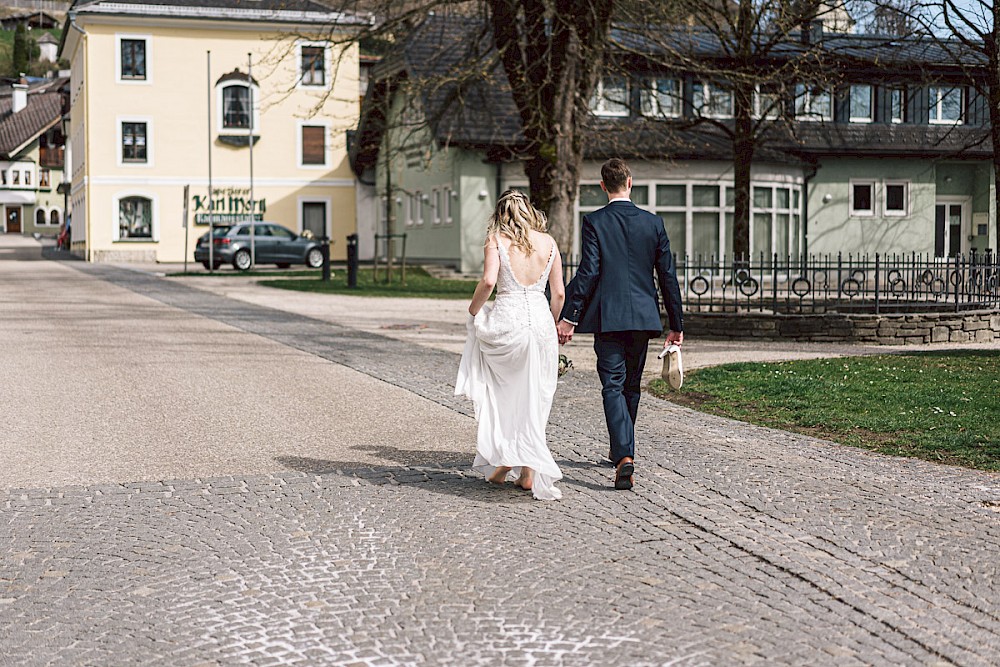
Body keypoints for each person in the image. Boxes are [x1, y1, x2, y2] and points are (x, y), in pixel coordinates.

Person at [557, 158, 684, 491]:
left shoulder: (595, 222)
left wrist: (569, 316)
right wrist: (676, 322)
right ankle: (620, 451)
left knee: (612, 385)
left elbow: (589, 271)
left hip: (609, 317)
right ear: (630, 182)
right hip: (643, 317)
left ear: (602, 186)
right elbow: (667, 275)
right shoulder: (653, 223)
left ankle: (624, 455)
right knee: (631, 385)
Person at [455, 190, 566, 500]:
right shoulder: (549, 243)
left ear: (500, 213)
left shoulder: (496, 240)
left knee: (503, 395)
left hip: (508, 324)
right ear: (528, 210)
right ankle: (525, 471)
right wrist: (552, 324)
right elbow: (558, 294)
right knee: (536, 395)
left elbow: (489, 282)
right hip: (541, 325)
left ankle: (509, 463)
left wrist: (473, 311)